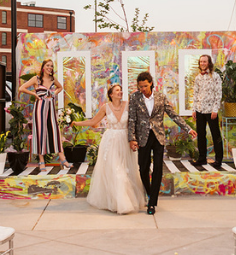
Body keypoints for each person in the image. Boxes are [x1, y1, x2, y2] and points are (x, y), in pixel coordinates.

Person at [127, 71, 196, 216]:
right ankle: (150, 193)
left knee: (158, 168)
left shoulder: (160, 97)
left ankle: (152, 203)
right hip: (143, 138)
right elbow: (132, 119)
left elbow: (173, 115)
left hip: (158, 137)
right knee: (143, 168)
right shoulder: (134, 97)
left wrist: (188, 129)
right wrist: (132, 138)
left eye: (145, 86)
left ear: (151, 83)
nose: (143, 89)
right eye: (140, 87)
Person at [80, 84, 144, 215]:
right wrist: (77, 123)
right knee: (116, 171)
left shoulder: (128, 104)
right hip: (111, 142)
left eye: (121, 90)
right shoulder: (105, 107)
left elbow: (135, 121)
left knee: (127, 170)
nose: (120, 92)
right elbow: (93, 122)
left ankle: (126, 200)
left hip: (125, 141)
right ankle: (121, 203)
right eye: (117, 90)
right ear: (111, 94)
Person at [18, 59, 62, 164]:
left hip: (50, 106)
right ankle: (41, 160)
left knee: (54, 130)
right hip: (40, 107)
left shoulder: (53, 79)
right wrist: (34, 94)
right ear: (43, 67)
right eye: (48, 65)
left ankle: (62, 158)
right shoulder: (36, 79)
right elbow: (21, 88)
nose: (49, 68)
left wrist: (54, 93)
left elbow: (60, 87)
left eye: (51, 66)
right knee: (41, 131)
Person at [190, 54, 224, 169]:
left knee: (216, 135)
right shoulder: (197, 78)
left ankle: (218, 160)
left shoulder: (215, 76)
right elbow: (195, 94)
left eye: (204, 61)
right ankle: (202, 158)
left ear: (209, 63)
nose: (202, 64)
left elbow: (218, 94)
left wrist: (215, 109)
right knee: (201, 135)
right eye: (201, 62)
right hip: (200, 109)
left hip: (211, 111)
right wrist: (194, 109)